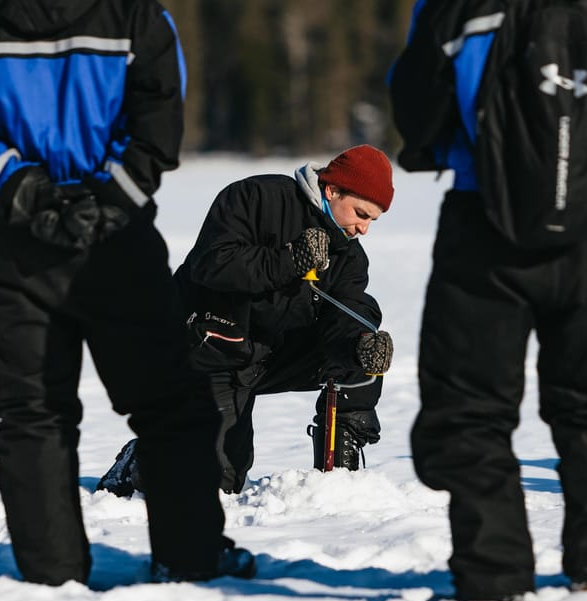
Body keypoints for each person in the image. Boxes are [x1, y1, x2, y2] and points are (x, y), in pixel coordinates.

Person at [0, 0, 255, 586]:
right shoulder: (136, 17)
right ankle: (192, 560)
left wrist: (19, 188)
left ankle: (52, 578)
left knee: (34, 412)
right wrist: (106, 200)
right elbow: (158, 126)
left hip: (15, 239)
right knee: (170, 404)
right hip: (114, 239)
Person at [390, 0, 587, 601]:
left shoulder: (459, 11)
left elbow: (416, 110)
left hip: (482, 221)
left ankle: (493, 575)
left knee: (470, 405)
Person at [97, 145, 395, 499]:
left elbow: (344, 314)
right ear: (332, 190)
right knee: (217, 479)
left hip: (271, 355)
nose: (363, 229)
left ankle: (339, 483)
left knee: (363, 351)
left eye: (372, 221)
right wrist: (290, 260)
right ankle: (141, 458)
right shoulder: (256, 196)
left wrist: (357, 344)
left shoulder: (348, 254)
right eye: (361, 214)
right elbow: (212, 264)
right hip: (208, 349)